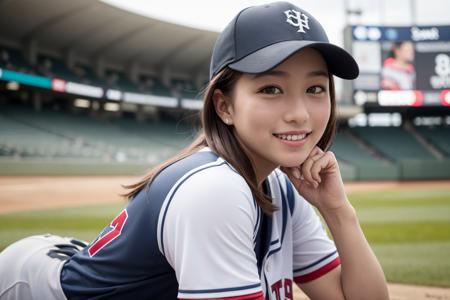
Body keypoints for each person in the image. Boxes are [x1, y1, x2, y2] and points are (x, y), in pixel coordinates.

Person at [0, 2, 389, 299]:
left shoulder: (285, 186)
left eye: (315, 89)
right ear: (224, 106)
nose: (300, 113)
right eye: (271, 88)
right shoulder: (213, 190)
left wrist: (339, 213)